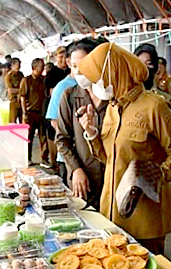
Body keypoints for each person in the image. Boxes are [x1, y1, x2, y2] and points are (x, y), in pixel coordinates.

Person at [77, 43, 171, 255]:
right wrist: (91, 132)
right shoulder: (112, 107)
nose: (95, 87)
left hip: (144, 216)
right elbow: (108, 158)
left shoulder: (155, 106)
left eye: (99, 79)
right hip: (111, 212)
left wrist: (154, 177)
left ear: (114, 74)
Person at [54, 37, 106, 209]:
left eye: (84, 66)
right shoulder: (69, 96)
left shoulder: (113, 98)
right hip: (83, 180)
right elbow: (62, 139)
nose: (79, 72)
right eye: (75, 67)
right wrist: (75, 169)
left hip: (111, 178)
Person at [46, 42, 78, 182]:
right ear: (69, 62)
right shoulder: (63, 87)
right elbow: (54, 121)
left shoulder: (94, 86)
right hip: (69, 155)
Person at [19, 58, 49, 166]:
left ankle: (44, 159)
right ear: (34, 67)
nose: (42, 69)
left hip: (41, 112)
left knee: (43, 136)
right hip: (30, 112)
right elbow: (22, 97)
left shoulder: (43, 80)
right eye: (40, 67)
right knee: (28, 137)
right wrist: (24, 112)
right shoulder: (26, 80)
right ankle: (27, 158)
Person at [4, 58, 24, 123]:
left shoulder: (21, 75)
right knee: (12, 121)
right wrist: (20, 90)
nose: (18, 66)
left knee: (22, 121)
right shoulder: (8, 76)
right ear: (12, 65)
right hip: (13, 101)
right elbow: (10, 90)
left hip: (20, 101)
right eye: (17, 64)